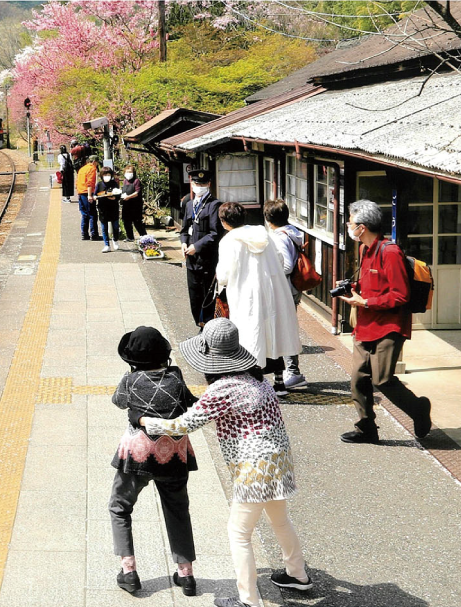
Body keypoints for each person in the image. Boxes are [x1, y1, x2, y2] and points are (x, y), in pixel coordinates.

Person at [136, 318, 312, 607]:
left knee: (239, 533)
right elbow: (205, 409)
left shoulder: (224, 389)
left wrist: (145, 421)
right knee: (280, 519)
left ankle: (249, 601)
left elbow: (184, 424)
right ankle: (297, 574)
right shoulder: (256, 379)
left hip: (254, 469)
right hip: (278, 462)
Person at [110, 326, 199, 596]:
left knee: (120, 507)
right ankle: (186, 575)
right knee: (177, 510)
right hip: (174, 454)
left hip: (138, 455)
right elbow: (188, 402)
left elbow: (118, 401)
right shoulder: (175, 375)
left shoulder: (131, 380)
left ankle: (129, 572)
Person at [337, 199, 432, 444]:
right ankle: (366, 428)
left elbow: (400, 295)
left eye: (351, 223)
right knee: (358, 378)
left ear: (363, 227)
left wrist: (366, 303)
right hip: (366, 323)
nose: (348, 227)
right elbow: (371, 284)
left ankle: (418, 409)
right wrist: (353, 289)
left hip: (390, 325)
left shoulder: (390, 252)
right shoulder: (364, 249)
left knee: (382, 379)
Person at [215, 202, 301, 397]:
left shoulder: (229, 241)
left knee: (251, 336)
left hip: (246, 294)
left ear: (224, 222)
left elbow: (224, 275)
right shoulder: (264, 235)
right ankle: (279, 383)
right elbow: (279, 259)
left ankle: (256, 383)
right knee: (275, 334)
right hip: (273, 290)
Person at [264, 199, 309, 390]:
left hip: (285, 290)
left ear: (268, 219)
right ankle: (292, 372)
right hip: (293, 289)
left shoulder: (278, 237)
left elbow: (287, 265)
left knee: (283, 330)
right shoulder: (292, 232)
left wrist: (271, 274)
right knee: (286, 329)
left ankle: (293, 373)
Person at [180, 167, 224, 328]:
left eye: (203, 183)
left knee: (207, 295)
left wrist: (196, 246)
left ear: (209, 184)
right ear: (191, 183)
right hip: (191, 259)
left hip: (207, 259)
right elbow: (184, 229)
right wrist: (184, 242)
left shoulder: (214, 205)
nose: (199, 186)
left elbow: (214, 233)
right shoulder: (189, 204)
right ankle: (198, 324)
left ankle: (209, 326)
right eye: (196, 183)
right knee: (194, 296)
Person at [94, 166, 122, 252]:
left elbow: (118, 195)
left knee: (115, 226)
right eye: (105, 174)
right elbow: (95, 195)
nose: (107, 176)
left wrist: (114, 198)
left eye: (108, 174)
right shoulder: (99, 184)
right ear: (102, 175)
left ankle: (115, 240)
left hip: (113, 208)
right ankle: (106, 245)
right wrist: (95, 197)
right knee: (104, 227)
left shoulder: (114, 183)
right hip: (103, 209)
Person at [120, 166, 147, 241]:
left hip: (135, 205)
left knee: (137, 221)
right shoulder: (125, 181)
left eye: (130, 172)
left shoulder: (136, 181)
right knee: (126, 221)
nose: (128, 174)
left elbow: (137, 192)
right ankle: (130, 237)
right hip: (126, 204)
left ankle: (144, 237)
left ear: (133, 173)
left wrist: (128, 197)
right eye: (127, 172)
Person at [76, 155, 100, 241]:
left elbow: (77, 182)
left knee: (84, 215)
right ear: (94, 161)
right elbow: (90, 183)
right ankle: (94, 235)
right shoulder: (92, 168)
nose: (97, 165)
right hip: (87, 193)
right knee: (92, 214)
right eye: (97, 163)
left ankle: (84, 234)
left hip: (81, 193)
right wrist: (90, 195)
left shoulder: (82, 169)